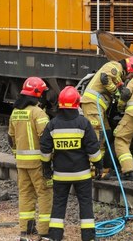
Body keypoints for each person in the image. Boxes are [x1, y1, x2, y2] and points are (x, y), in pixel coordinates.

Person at [40, 86, 102, 241]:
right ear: (77, 103)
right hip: (82, 174)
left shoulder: (52, 124)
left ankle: (55, 236)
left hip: (60, 175)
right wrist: (99, 165)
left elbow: (45, 149)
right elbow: (93, 148)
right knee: (85, 204)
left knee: (59, 204)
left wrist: (46, 167)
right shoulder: (83, 123)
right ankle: (88, 237)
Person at [80, 56, 133, 175]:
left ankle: (100, 166)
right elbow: (105, 78)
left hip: (98, 107)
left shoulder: (119, 76)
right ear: (130, 69)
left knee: (106, 134)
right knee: (96, 137)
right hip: (92, 104)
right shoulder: (115, 66)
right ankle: (92, 169)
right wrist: (117, 92)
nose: (130, 78)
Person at [7, 77, 52, 241]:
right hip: (38, 163)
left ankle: (25, 231)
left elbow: (10, 138)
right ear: (38, 94)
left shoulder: (15, 112)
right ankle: (45, 232)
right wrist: (49, 160)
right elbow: (46, 139)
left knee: (25, 194)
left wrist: (16, 155)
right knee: (45, 194)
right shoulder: (37, 112)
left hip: (21, 163)